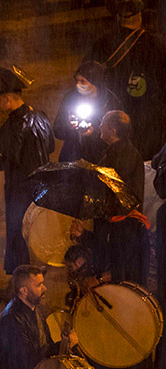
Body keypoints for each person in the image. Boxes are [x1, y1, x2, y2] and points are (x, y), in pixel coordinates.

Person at [84, 0, 166, 159]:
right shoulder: (157, 44)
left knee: (114, 161)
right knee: (145, 163)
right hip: (148, 117)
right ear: (140, 16)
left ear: (118, 18)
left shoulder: (102, 44)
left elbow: (86, 77)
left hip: (112, 114)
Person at [0, 91, 54, 274]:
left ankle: (22, 281)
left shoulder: (15, 122)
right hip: (40, 185)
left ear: (7, 98)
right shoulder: (41, 116)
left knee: (18, 233)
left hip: (20, 187)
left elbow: (9, 157)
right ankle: (36, 275)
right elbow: (50, 146)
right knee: (36, 231)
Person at [96, 109, 145, 283]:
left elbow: (118, 192)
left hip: (123, 228)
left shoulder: (125, 156)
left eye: (103, 122)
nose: (99, 125)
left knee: (123, 278)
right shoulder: (114, 153)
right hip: (117, 225)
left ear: (113, 131)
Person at [53, 61, 117, 163]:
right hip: (72, 156)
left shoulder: (110, 101)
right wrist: (68, 126)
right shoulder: (70, 98)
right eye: (77, 80)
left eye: (83, 81)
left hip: (99, 159)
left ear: (95, 82)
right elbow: (57, 130)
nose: (78, 84)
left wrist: (94, 132)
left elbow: (117, 135)